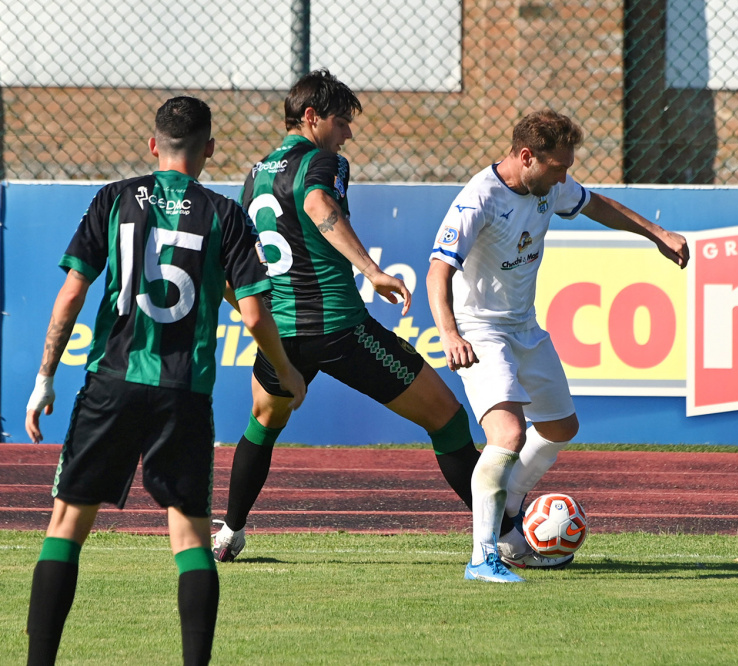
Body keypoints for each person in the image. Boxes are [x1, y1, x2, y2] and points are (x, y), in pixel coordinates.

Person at [22, 97, 307, 665]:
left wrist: (45, 376)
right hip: (184, 392)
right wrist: (285, 370)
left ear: (154, 146)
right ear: (209, 150)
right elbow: (253, 313)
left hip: (111, 382)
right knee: (191, 539)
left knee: (68, 525)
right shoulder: (226, 214)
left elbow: (73, 294)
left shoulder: (114, 198)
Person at [211, 69, 511, 562]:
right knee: (449, 421)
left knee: (261, 426)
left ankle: (230, 532)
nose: (347, 131)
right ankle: (505, 534)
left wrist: (251, 311)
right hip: (340, 330)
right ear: (311, 118)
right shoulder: (323, 160)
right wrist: (371, 270)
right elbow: (317, 202)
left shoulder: (255, 174)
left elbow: (241, 261)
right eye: (341, 120)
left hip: (280, 334)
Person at [426, 109, 689, 582]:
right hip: (481, 330)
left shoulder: (548, 185)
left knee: (561, 427)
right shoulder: (478, 199)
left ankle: (507, 503)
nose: (565, 177)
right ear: (526, 156)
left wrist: (658, 234)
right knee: (508, 436)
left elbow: (598, 205)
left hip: (524, 327)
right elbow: (438, 270)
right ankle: (482, 556)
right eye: (558, 168)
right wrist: (449, 333)